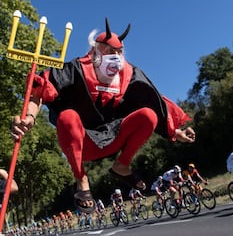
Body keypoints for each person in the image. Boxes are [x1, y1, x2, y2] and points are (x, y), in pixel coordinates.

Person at [10, 17, 196, 213]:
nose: (115, 56)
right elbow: (41, 90)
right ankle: (81, 179)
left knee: (149, 115)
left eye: (118, 52)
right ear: (95, 51)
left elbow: (155, 100)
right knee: (67, 116)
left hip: (114, 138)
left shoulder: (130, 74)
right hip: (83, 143)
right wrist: (29, 117)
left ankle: (122, 165)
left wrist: (175, 131)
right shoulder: (75, 69)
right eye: (109, 51)